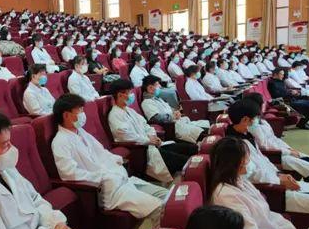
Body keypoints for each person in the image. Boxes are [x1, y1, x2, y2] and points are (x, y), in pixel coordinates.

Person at [52, 93, 168, 221]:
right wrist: (102, 178)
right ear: (66, 115)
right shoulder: (60, 141)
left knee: (166, 195)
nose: (83, 114)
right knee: (161, 209)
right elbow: (69, 173)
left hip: (123, 180)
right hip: (110, 190)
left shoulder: (81, 132)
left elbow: (102, 152)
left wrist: (116, 160)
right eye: (79, 110)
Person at [225, 99, 309, 215]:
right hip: (272, 191)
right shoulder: (234, 146)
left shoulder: (247, 135)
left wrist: (279, 173)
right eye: (255, 118)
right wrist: (278, 180)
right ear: (245, 119)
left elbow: (263, 159)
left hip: (274, 178)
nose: (256, 120)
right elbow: (251, 174)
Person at [108, 80, 197, 183]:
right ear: (120, 95)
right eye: (129, 92)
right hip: (145, 151)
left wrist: (152, 136)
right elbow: (125, 136)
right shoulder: (115, 115)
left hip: (154, 144)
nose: (132, 95)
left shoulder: (130, 110)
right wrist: (148, 140)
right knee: (187, 161)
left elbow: (146, 125)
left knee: (192, 149)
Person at [243, 92, 309, 183]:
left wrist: (289, 149)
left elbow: (274, 138)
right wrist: (288, 152)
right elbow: (264, 146)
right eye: (262, 103)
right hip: (277, 155)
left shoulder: (261, 120)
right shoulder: (253, 126)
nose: (264, 105)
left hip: (283, 149)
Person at [141, 75, 209, 144]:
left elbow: (169, 110)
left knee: (207, 125)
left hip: (180, 121)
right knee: (204, 134)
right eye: (157, 85)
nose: (160, 87)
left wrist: (176, 112)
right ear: (150, 88)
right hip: (173, 126)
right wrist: (173, 116)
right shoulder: (147, 102)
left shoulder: (158, 99)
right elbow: (156, 118)